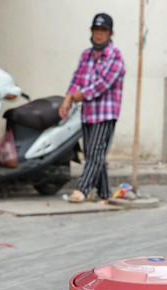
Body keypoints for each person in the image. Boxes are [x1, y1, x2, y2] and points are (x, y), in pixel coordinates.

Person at [59, 12, 125, 203]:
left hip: (105, 113)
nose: (99, 34)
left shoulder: (115, 56)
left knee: (95, 153)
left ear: (110, 33)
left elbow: (103, 83)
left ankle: (82, 189)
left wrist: (82, 94)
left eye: (103, 30)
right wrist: (68, 98)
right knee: (92, 153)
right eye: (96, 30)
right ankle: (104, 192)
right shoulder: (86, 55)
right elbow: (77, 78)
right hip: (88, 113)